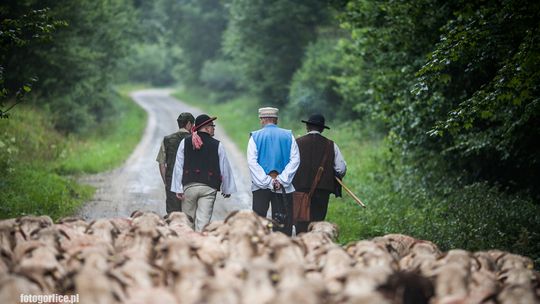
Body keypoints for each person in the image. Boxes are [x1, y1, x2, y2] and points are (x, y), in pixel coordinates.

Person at [171, 114, 236, 231]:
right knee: (203, 223)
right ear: (206, 128)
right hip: (208, 188)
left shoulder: (184, 142)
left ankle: (189, 245)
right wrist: (227, 189)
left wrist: (178, 188)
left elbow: (178, 166)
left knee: (187, 221)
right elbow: (224, 168)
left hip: (189, 187)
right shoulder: (218, 145)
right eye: (212, 126)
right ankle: (201, 244)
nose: (214, 128)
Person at [247, 107, 300, 236]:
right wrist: (281, 180)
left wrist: (267, 181)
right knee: (282, 223)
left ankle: (260, 249)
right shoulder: (288, 135)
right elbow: (295, 160)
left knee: (259, 222)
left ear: (262, 120)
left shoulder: (255, 136)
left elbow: (252, 162)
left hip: (261, 186)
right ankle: (281, 250)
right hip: (283, 187)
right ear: (276, 120)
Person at [292, 114, 347, 234]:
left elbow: (289, 166)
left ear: (307, 127)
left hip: (300, 189)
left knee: (301, 222)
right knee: (317, 223)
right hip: (322, 191)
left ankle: (302, 246)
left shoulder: (296, 143)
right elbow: (341, 169)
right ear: (322, 129)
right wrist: (331, 174)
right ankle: (316, 246)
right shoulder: (331, 145)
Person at [156, 112, 195, 214]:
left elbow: (161, 164)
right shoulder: (195, 140)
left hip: (171, 181)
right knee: (190, 214)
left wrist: (166, 181)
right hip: (190, 181)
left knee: (173, 215)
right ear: (189, 124)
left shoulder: (167, 140)